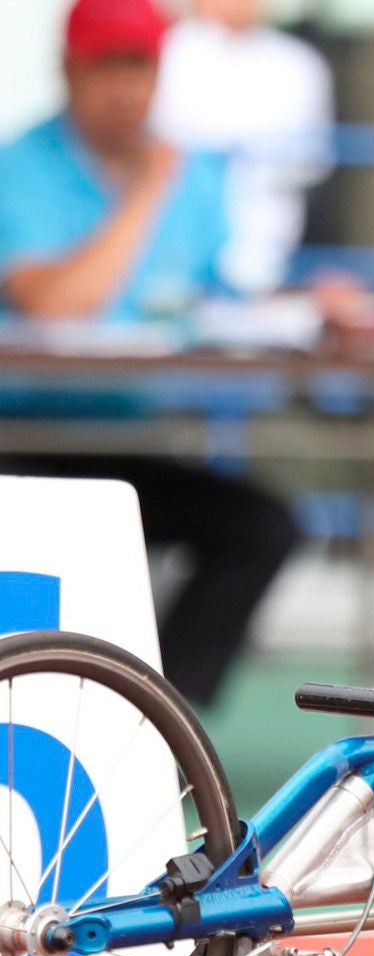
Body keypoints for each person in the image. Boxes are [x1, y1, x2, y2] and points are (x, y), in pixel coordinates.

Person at [0, 0, 301, 707]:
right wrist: (143, 195)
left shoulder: (195, 177)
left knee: (260, 525)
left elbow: (221, 297)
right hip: (23, 442)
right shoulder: (21, 168)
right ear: (70, 72)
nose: (129, 87)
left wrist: (311, 304)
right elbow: (55, 300)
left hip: (132, 440)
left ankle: (156, 710)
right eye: (110, 66)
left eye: (142, 65)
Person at [151, 0, 335, 298]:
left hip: (262, 244)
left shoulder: (299, 64)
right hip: (168, 243)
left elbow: (311, 162)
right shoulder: (167, 52)